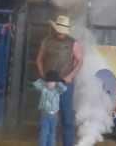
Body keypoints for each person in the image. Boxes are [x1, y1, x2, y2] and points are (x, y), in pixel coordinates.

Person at [36, 15, 83, 146]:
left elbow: (80, 61)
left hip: (64, 82)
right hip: (50, 83)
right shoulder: (47, 41)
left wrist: (71, 76)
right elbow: (39, 59)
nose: (60, 33)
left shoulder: (73, 43)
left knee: (66, 118)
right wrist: (42, 75)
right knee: (48, 118)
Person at [33, 70, 67, 146]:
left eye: (53, 82)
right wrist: (44, 79)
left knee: (52, 133)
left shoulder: (57, 90)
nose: (50, 83)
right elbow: (36, 84)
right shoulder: (43, 88)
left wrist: (58, 82)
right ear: (46, 82)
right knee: (44, 133)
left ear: (56, 83)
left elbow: (64, 89)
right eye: (49, 81)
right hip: (45, 114)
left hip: (54, 115)